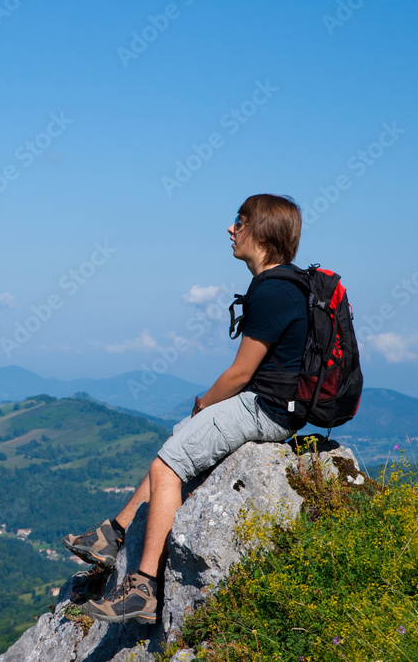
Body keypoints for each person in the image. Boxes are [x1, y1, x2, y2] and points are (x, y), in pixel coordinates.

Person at [68, 194, 308, 624]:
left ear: (264, 232)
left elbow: (240, 373)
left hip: (265, 409)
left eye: (241, 220)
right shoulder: (283, 284)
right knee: (179, 437)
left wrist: (204, 405)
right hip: (272, 403)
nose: (231, 229)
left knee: (167, 466)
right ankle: (115, 533)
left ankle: (141, 588)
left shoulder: (273, 290)